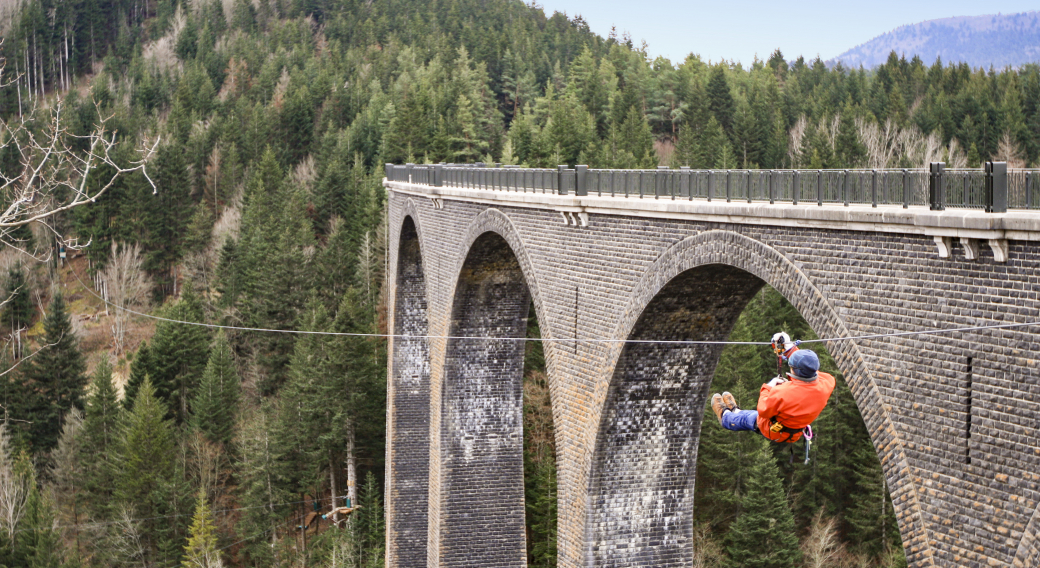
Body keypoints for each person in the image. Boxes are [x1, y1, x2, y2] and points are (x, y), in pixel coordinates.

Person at [710, 332, 835, 443]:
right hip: (794, 431)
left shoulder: (783, 392)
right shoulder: (827, 382)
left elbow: (763, 410)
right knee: (749, 415)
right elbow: (810, 368)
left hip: (775, 431)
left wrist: (769, 387)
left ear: (794, 370)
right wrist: (790, 348)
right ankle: (735, 410)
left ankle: (725, 416)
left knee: (751, 419)